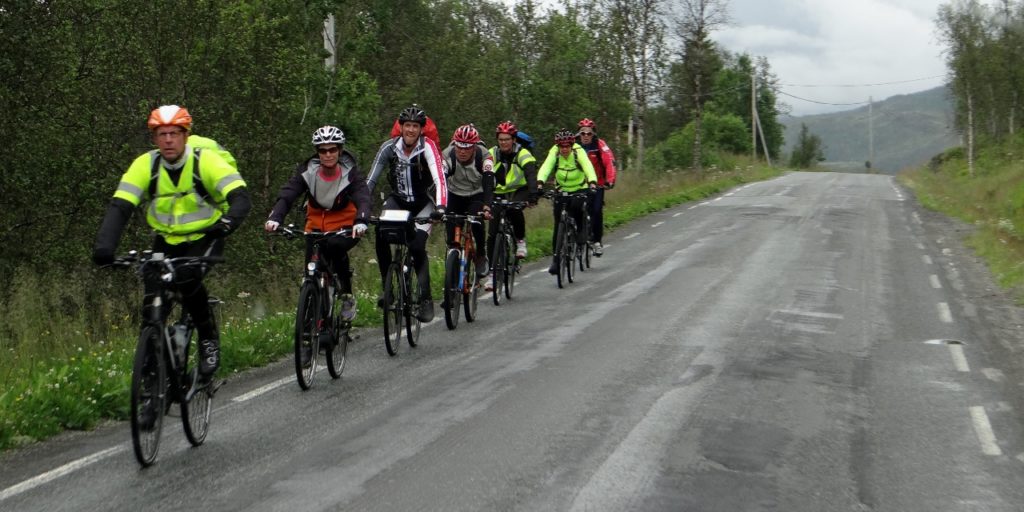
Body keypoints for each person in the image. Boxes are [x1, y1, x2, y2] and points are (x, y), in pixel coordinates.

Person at [92, 105, 250, 383]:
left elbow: (240, 197)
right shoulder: (145, 165)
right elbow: (120, 207)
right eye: (161, 134)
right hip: (165, 240)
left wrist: (227, 223)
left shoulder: (206, 163)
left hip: (205, 237)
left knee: (188, 281)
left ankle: (208, 339)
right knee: (153, 303)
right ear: (154, 138)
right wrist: (105, 248)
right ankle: (151, 383)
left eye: (174, 133)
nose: (168, 140)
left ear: (186, 135)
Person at [265, 126, 370, 364]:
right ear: (317, 153)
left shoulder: (349, 173)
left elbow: (363, 195)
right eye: (322, 151)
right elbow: (288, 194)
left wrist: (362, 220)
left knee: (334, 247)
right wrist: (275, 217)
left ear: (340, 150)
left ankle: (346, 295)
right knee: (310, 275)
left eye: (332, 150)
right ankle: (306, 341)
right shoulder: (308, 171)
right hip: (315, 225)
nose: (328, 155)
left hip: (345, 224)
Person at [366, 105, 447, 322]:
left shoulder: (427, 147)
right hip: (398, 200)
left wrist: (440, 207)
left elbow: (440, 179)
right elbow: (370, 180)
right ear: (400, 127)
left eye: (415, 126)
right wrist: (362, 208)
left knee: (417, 246)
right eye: (407, 125)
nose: (411, 130)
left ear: (421, 129)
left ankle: (426, 299)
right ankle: (388, 288)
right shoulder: (389, 148)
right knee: (381, 233)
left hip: (423, 204)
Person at [486, 121, 539, 290]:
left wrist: (533, 195)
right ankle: (491, 273)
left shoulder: (522, 154)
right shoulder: (492, 153)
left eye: (507, 139)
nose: (503, 142)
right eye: (501, 139)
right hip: (498, 192)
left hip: (519, 190)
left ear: (514, 140)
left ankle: (520, 240)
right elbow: (484, 174)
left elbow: (530, 173)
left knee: (515, 209)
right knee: (492, 234)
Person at [536, 128, 597, 274]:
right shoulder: (554, 152)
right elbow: (546, 166)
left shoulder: (578, 151)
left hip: (579, 188)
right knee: (558, 224)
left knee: (577, 207)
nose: (564, 149)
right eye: (561, 146)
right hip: (561, 189)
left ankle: (581, 231)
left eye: (567, 146)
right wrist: (539, 182)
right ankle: (556, 261)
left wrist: (593, 182)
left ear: (571, 145)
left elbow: (588, 166)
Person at [441, 124, 494, 289]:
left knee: (476, 221)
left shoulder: (484, 156)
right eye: (459, 147)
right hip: (454, 194)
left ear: (474, 146)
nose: (462, 151)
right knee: (452, 239)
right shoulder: (447, 155)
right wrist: (439, 206)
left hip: (476, 195)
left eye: (467, 148)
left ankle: (480, 255)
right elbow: (440, 180)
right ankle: (451, 284)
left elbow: (488, 181)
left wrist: (487, 206)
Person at [575, 118, 617, 256]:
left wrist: (610, 180)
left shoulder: (600, 145)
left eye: (589, 133)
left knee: (597, 211)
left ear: (593, 134)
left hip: (598, 183)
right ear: (578, 134)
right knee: (574, 209)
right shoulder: (572, 145)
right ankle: (574, 236)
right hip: (578, 184)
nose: (586, 136)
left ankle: (597, 241)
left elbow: (609, 162)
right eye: (583, 133)